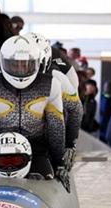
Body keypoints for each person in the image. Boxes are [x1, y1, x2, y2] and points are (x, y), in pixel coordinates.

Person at [0, 35, 67, 185]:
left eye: (26, 65)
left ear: (35, 63)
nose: (21, 70)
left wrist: (58, 162)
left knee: (45, 177)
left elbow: (56, 128)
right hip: (1, 151)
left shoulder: (51, 85)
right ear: (4, 63)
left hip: (37, 151)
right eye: (15, 65)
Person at [24, 32, 83, 168]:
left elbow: (75, 106)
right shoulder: (5, 61)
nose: (23, 66)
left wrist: (69, 144)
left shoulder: (58, 74)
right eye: (18, 62)